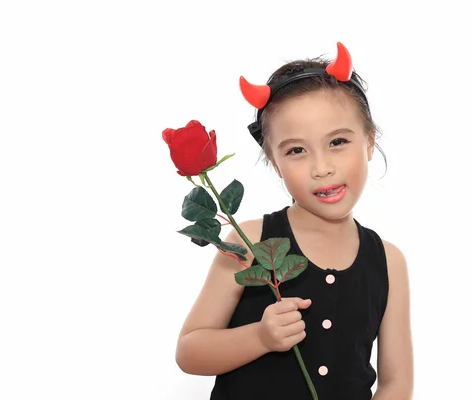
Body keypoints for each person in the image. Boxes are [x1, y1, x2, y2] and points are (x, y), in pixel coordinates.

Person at [175, 42, 414, 400]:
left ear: (368, 141)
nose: (322, 168)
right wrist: (259, 337)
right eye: (296, 150)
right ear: (274, 162)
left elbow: (397, 382)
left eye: (337, 141)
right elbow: (189, 351)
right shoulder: (248, 241)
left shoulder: (388, 260)